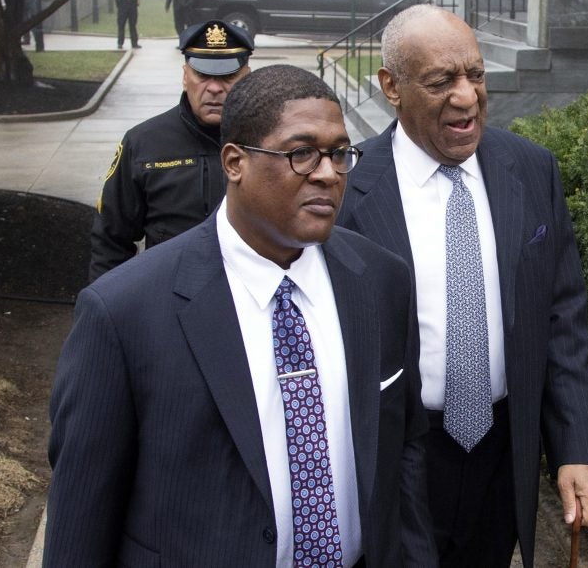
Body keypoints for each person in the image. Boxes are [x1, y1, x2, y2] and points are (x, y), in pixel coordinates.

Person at [43, 64, 437, 567]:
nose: (327, 173)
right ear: (234, 162)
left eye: (339, 154)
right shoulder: (123, 312)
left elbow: (404, 448)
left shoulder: (382, 280)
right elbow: (82, 516)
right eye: (301, 153)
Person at [336, 4, 588, 568]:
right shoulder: (347, 191)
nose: (466, 97)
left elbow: (561, 316)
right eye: (441, 81)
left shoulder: (531, 169)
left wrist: (573, 449)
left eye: (475, 75)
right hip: (399, 456)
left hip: (502, 453)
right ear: (391, 86)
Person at [88, 20, 253, 282]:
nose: (214, 88)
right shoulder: (144, 142)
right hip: (168, 296)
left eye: (227, 77)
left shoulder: (271, 141)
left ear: (247, 77)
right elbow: (111, 240)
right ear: (185, 76)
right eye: (203, 75)